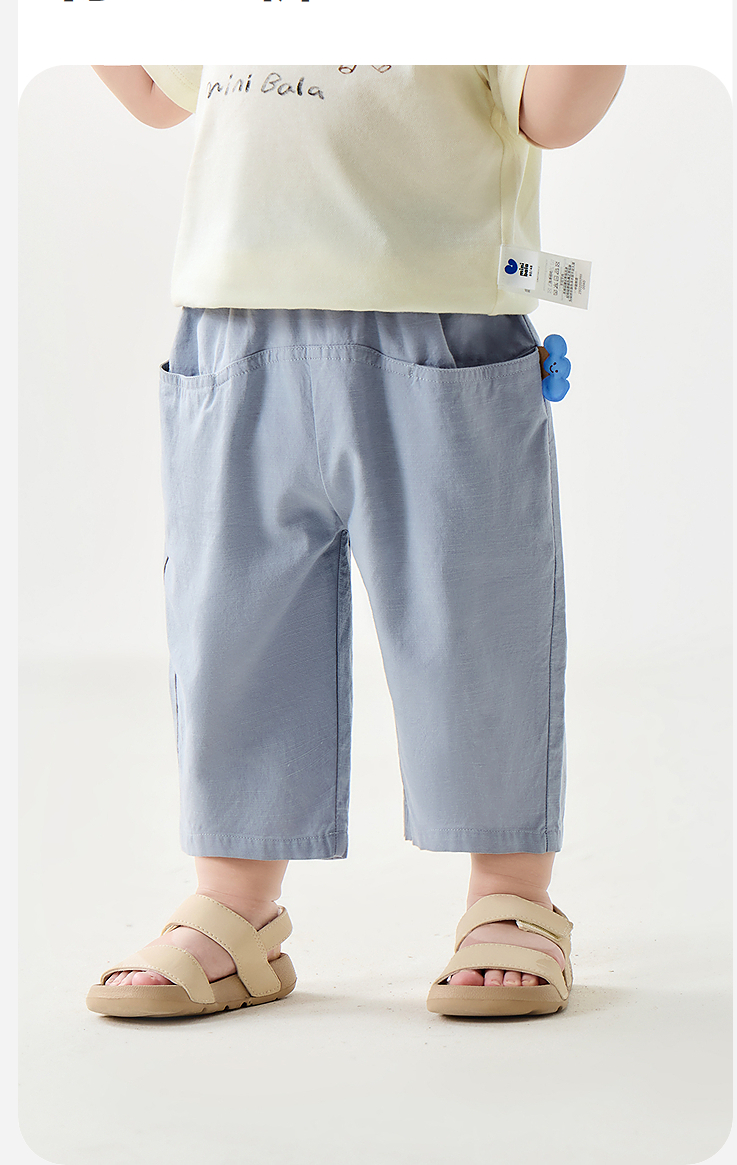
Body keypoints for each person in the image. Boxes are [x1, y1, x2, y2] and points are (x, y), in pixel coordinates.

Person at [85, 63, 625, 1019]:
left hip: (439, 315)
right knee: (232, 623)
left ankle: (510, 889)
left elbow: (552, 110)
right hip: (233, 315)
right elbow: (157, 89)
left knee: (476, 618)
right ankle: (234, 897)